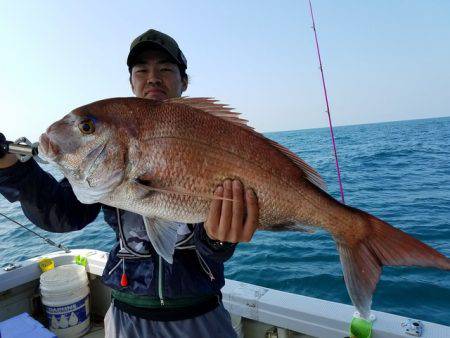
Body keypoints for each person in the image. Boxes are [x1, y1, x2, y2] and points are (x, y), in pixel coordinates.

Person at [0, 29, 259, 337]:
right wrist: (11, 169)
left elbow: (216, 246)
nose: (153, 78)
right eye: (141, 70)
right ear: (132, 82)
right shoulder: (112, 146)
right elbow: (64, 214)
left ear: (184, 81)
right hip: (127, 314)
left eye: (165, 69)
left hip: (201, 310)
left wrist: (218, 239)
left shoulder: (212, 134)